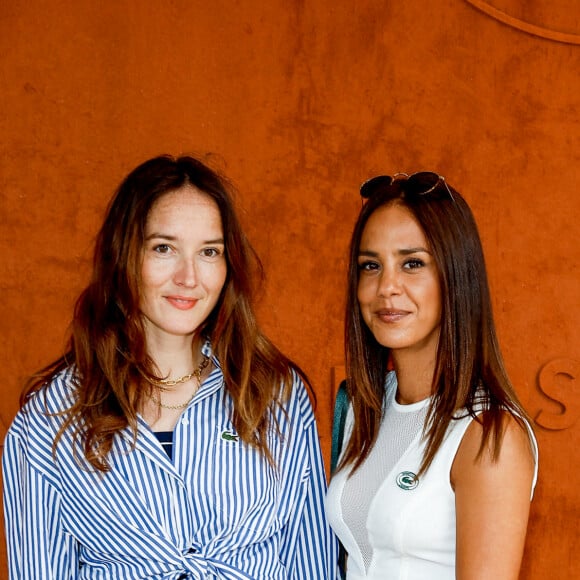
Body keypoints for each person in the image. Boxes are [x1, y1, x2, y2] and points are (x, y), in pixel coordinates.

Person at [3, 154, 338, 579]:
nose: (189, 276)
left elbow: (310, 564)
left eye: (209, 252)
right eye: (164, 248)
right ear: (124, 255)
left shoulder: (274, 394)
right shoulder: (51, 420)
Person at [325, 172, 538, 580]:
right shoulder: (362, 408)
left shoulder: (488, 434)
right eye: (371, 265)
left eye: (412, 263)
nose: (386, 286)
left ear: (455, 277)